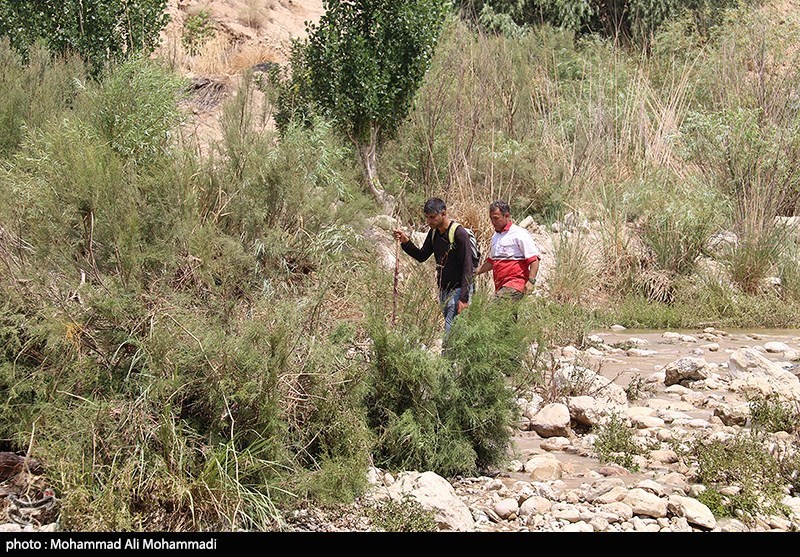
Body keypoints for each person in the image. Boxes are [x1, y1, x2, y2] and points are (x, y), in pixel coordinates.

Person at [392, 197, 474, 333]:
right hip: (443, 291)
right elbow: (422, 256)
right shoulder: (434, 232)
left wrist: (464, 298)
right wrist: (405, 241)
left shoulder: (459, 234)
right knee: (455, 332)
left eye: (432, 217)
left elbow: (468, 267)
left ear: (443, 213)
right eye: (427, 218)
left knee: (450, 331)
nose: (429, 222)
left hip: (458, 290)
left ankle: (445, 355)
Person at [474, 200, 540, 302]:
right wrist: (475, 272)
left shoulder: (519, 233)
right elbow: (492, 262)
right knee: (507, 317)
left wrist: (531, 281)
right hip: (500, 286)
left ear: (506, 216)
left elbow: (534, 259)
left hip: (515, 285)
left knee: (492, 310)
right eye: (491, 218)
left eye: (496, 218)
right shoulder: (495, 237)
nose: (493, 222)